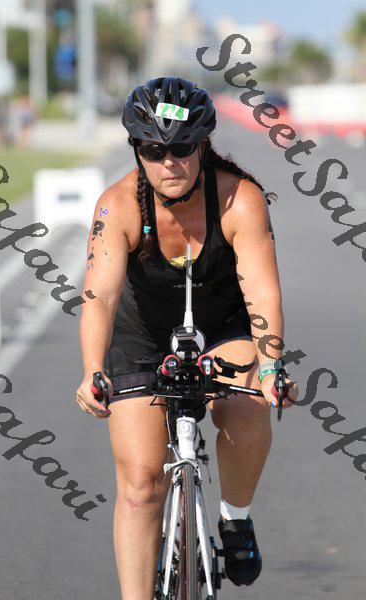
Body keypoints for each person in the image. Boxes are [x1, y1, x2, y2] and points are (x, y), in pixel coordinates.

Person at [75, 76, 299, 598]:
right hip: (142, 334)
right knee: (140, 485)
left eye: (181, 148)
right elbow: (99, 298)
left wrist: (271, 368)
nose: (168, 162)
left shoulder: (239, 198)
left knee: (247, 405)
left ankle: (235, 518)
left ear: (202, 146)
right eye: (153, 150)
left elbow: (262, 295)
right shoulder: (118, 205)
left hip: (223, 325)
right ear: (137, 149)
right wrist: (92, 371)